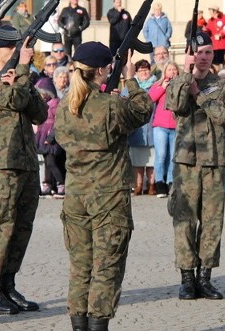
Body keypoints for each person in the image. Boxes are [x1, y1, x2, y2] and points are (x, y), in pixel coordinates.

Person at [54, 41, 152, 331]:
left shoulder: (64, 106)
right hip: (108, 198)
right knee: (106, 267)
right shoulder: (110, 104)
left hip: (76, 197)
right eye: (110, 66)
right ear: (101, 70)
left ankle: (78, 326)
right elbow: (143, 111)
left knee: (81, 267)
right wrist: (131, 78)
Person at [0, 26, 48, 315]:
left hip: (27, 163)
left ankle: (9, 285)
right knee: (2, 227)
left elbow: (40, 113)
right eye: (12, 49)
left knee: (22, 227)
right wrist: (21, 70)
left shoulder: (19, 76)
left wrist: (22, 78)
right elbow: (13, 100)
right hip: (3, 164)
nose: (18, 53)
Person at [165, 31, 225, 300]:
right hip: (186, 162)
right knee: (183, 220)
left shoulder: (222, 84)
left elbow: (221, 116)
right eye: (198, 53)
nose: (203, 58)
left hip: (214, 161)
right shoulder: (179, 81)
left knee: (212, 221)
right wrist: (185, 78)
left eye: (207, 52)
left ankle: (205, 278)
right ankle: (186, 278)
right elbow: (174, 105)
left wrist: (200, 94)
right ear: (189, 55)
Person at [148, 61, 180, 198]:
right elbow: (150, 98)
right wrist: (163, 88)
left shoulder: (180, 85)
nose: (172, 72)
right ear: (165, 72)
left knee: (173, 156)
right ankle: (159, 182)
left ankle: (170, 182)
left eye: (174, 70)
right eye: (169, 70)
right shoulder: (158, 84)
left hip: (175, 126)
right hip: (160, 126)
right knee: (161, 155)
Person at [127, 59, 157, 196]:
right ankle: (138, 185)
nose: (144, 73)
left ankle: (152, 185)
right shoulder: (130, 87)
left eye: (146, 70)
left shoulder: (156, 85)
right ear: (136, 73)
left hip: (152, 125)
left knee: (152, 160)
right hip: (137, 129)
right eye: (141, 70)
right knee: (137, 161)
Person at [35, 88, 65, 199]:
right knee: (47, 164)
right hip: (43, 138)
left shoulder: (54, 104)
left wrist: (51, 137)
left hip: (50, 139)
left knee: (52, 163)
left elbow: (57, 122)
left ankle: (61, 184)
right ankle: (47, 185)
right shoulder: (44, 104)